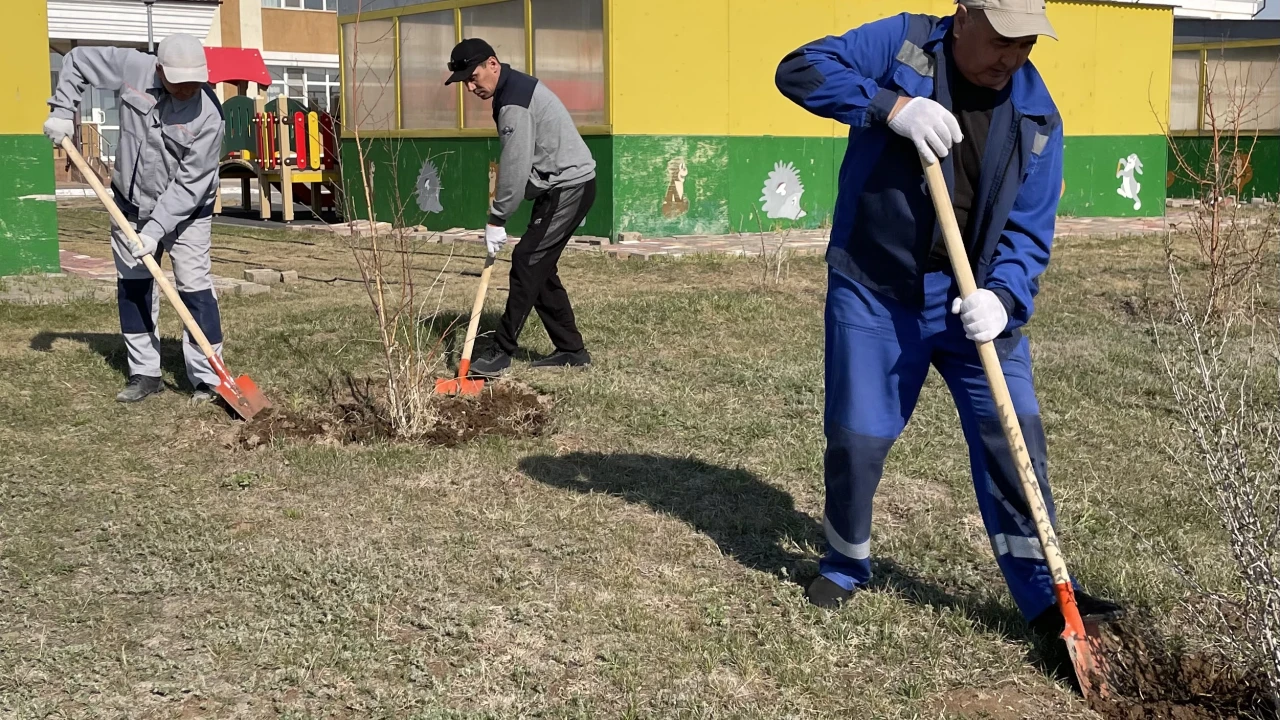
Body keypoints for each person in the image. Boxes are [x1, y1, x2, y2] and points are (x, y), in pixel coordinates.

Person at [775, 0, 1123, 636]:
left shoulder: (1038, 117)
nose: (1010, 59)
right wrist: (893, 108)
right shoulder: (902, 44)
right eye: (1000, 41)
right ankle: (846, 560)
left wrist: (1005, 297)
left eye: (1025, 46)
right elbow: (800, 70)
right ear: (962, 19)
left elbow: (1028, 231)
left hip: (975, 301)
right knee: (858, 437)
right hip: (875, 288)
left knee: (1013, 440)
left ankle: (1047, 597)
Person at [45, 34, 228, 405]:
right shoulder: (134, 67)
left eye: (195, 83)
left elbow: (190, 186)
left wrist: (156, 229)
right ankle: (145, 373)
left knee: (194, 288)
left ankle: (210, 378)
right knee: (134, 286)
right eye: (181, 84)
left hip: (188, 213)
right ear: (160, 70)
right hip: (129, 206)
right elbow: (78, 60)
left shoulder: (210, 116)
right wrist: (63, 109)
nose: (188, 90)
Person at [445, 38, 597, 377]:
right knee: (538, 265)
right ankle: (571, 349)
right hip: (557, 186)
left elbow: (514, 166)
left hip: (569, 186)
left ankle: (501, 351)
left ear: (493, 65)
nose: (470, 87)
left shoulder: (514, 101)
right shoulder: (511, 90)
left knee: (528, 260)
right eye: (465, 81)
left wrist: (498, 217)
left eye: (474, 76)